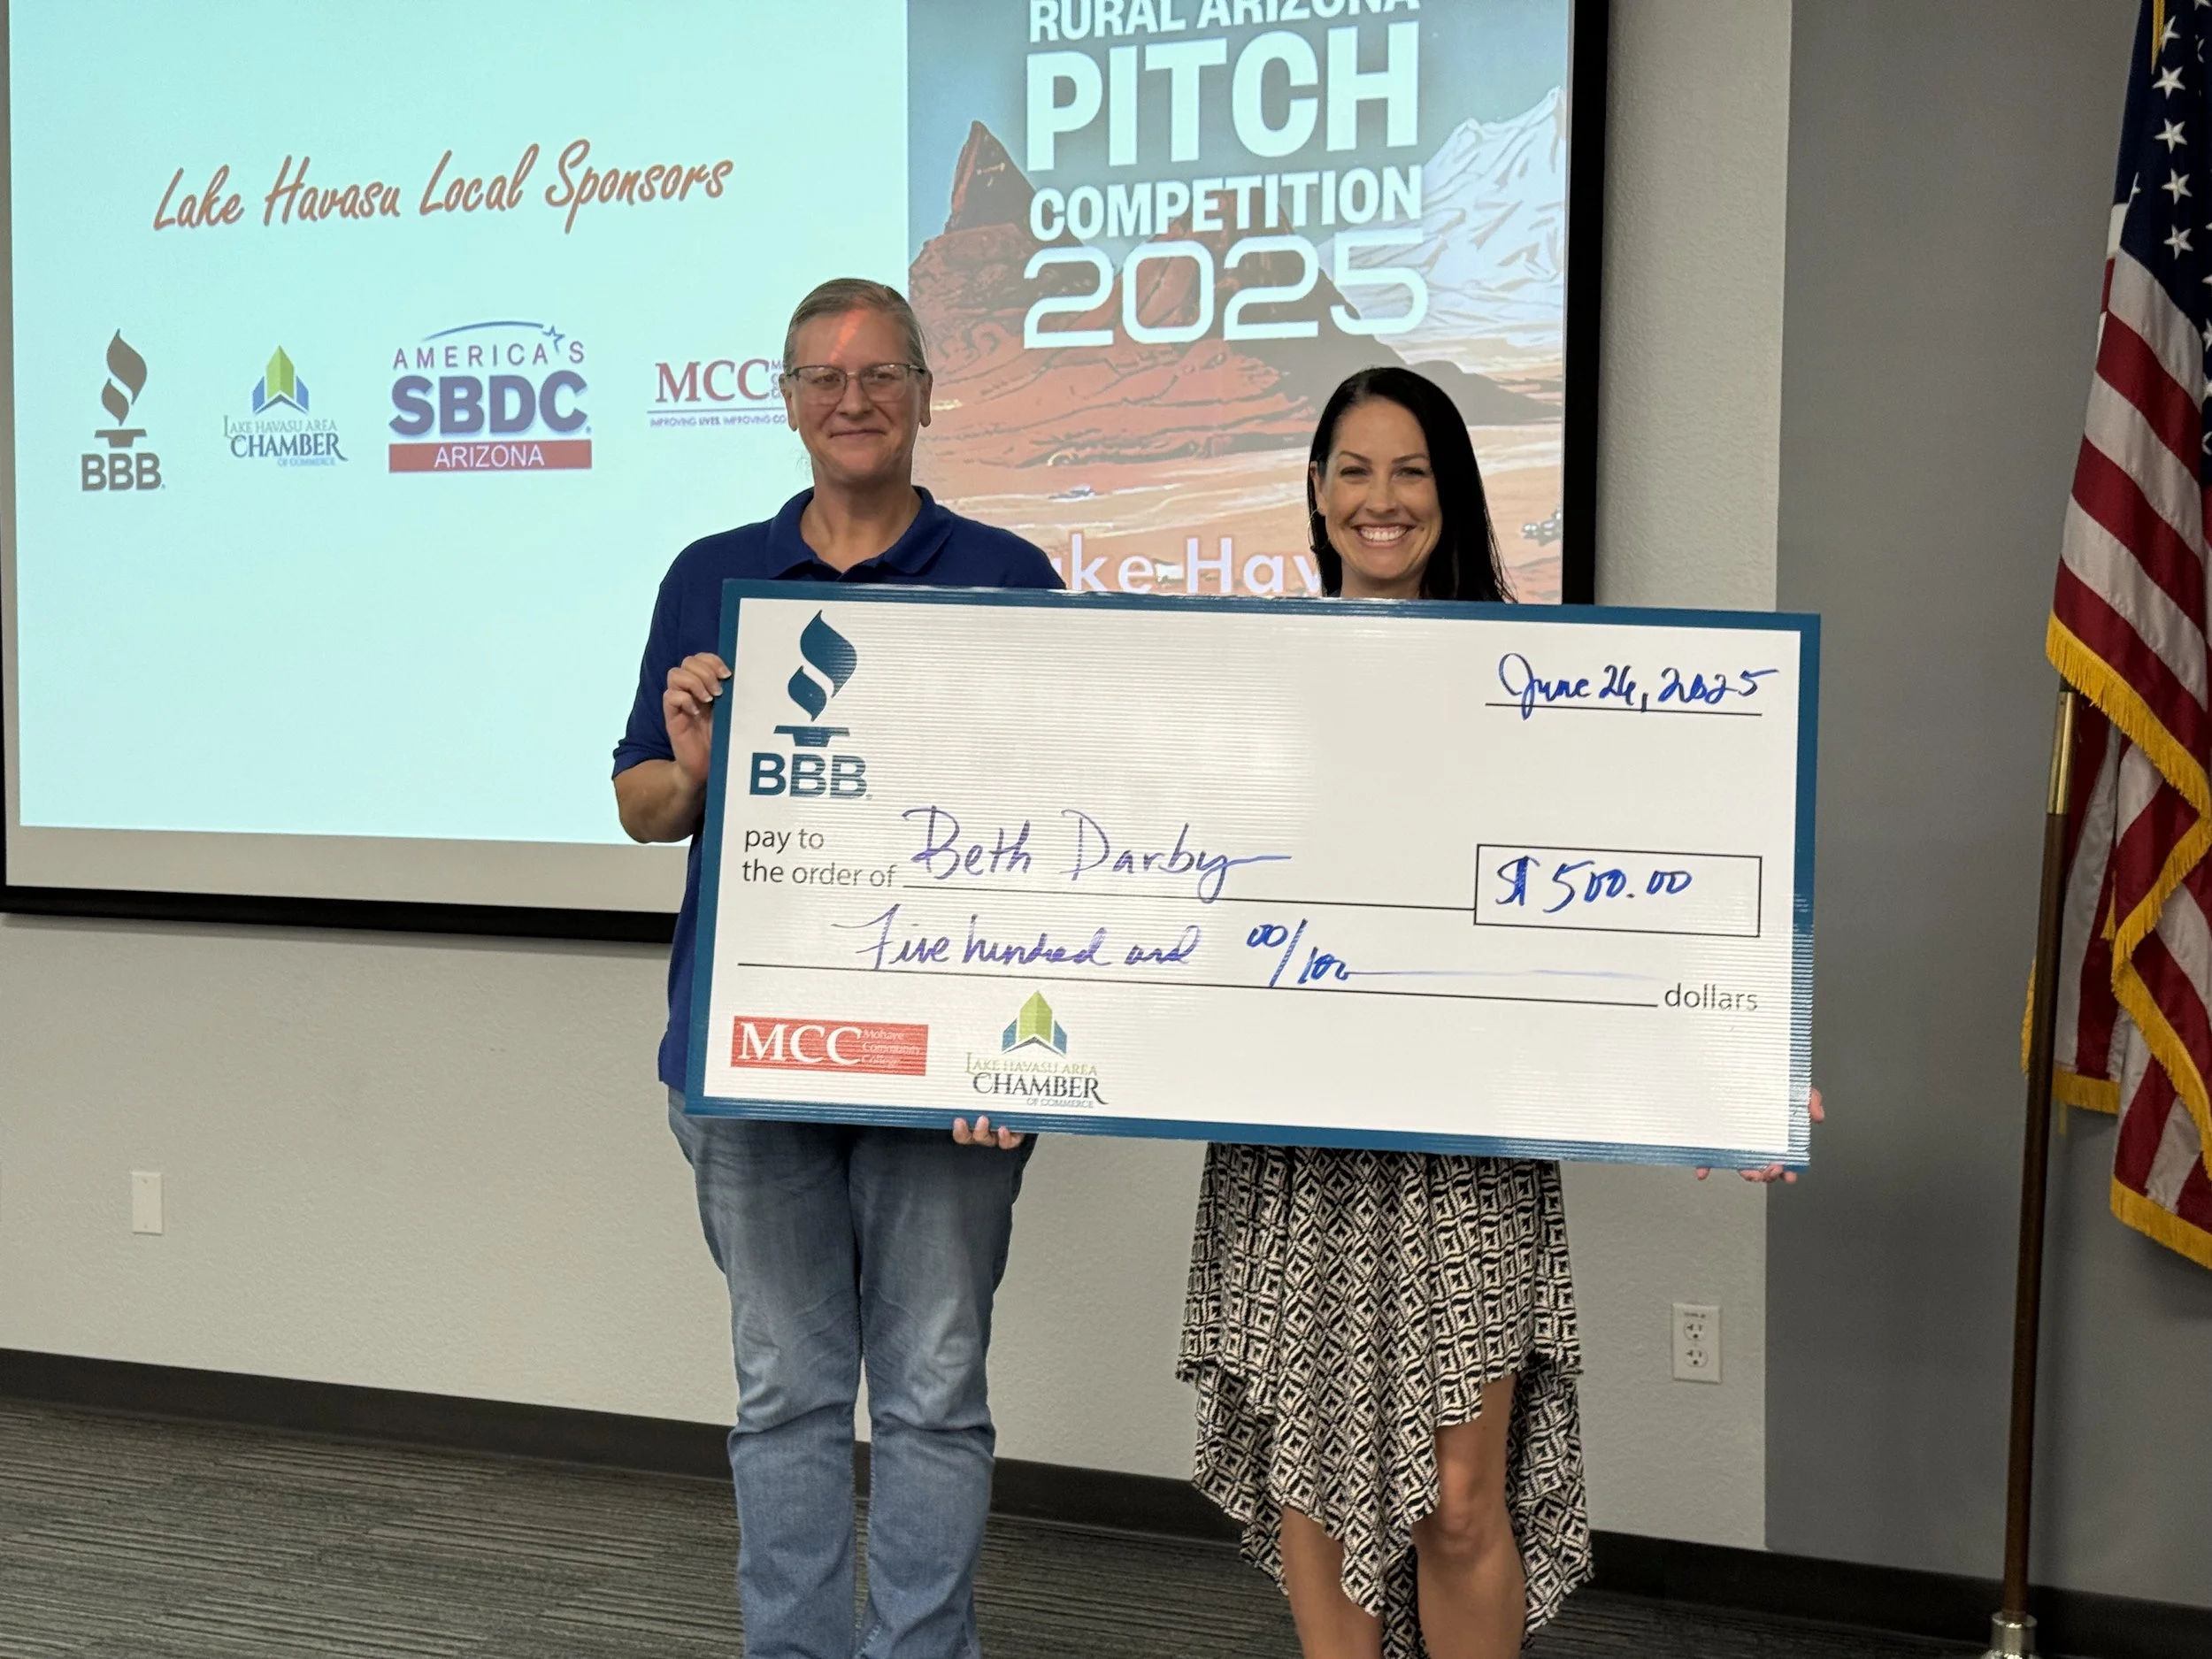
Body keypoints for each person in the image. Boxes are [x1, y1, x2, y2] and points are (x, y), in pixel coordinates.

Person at [1174, 365, 1824, 1659]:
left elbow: (1627, 893)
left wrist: (1741, 1064)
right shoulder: (1247, 681)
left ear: (1452, 493)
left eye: (1411, 471)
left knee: (1460, 1499)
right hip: (1291, 1139)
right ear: (1315, 492)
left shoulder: (1538, 684)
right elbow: (1156, 886)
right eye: (1354, 471)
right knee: (1311, 1469)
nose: (1382, 499)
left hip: (1465, 1149)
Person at [611, 277, 1056, 1659]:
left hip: (947, 1072)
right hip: (752, 1058)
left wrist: (1019, 1057)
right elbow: (641, 805)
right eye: (823, 375)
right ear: (788, 401)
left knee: (933, 1393)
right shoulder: (709, 577)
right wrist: (695, 768)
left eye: (879, 374)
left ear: (926, 393)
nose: (851, 399)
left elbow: (1061, 834)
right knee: (785, 1394)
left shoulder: (1011, 579)